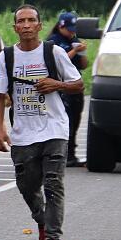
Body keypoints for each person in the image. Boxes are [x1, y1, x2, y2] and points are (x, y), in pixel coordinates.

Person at [0, 5, 84, 240]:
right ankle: (41, 219)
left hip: (55, 129)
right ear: (15, 27)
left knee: (54, 184)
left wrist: (57, 84)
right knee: (27, 185)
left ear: (40, 25)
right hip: (23, 134)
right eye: (21, 21)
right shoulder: (7, 57)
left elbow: (78, 84)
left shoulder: (53, 52)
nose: (26, 25)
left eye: (32, 20)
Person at [46, 13, 89, 167]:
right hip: (60, 86)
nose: (72, 32)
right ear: (60, 26)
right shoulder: (54, 41)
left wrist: (82, 52)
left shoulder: (74, 40)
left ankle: (70, 154)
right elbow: (56, 61)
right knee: (63, 121)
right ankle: (58, 153)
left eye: (73, 29)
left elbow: (83, 65)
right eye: (69, 29)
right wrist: (74, 51)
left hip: (75, 85)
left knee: (75, 120)